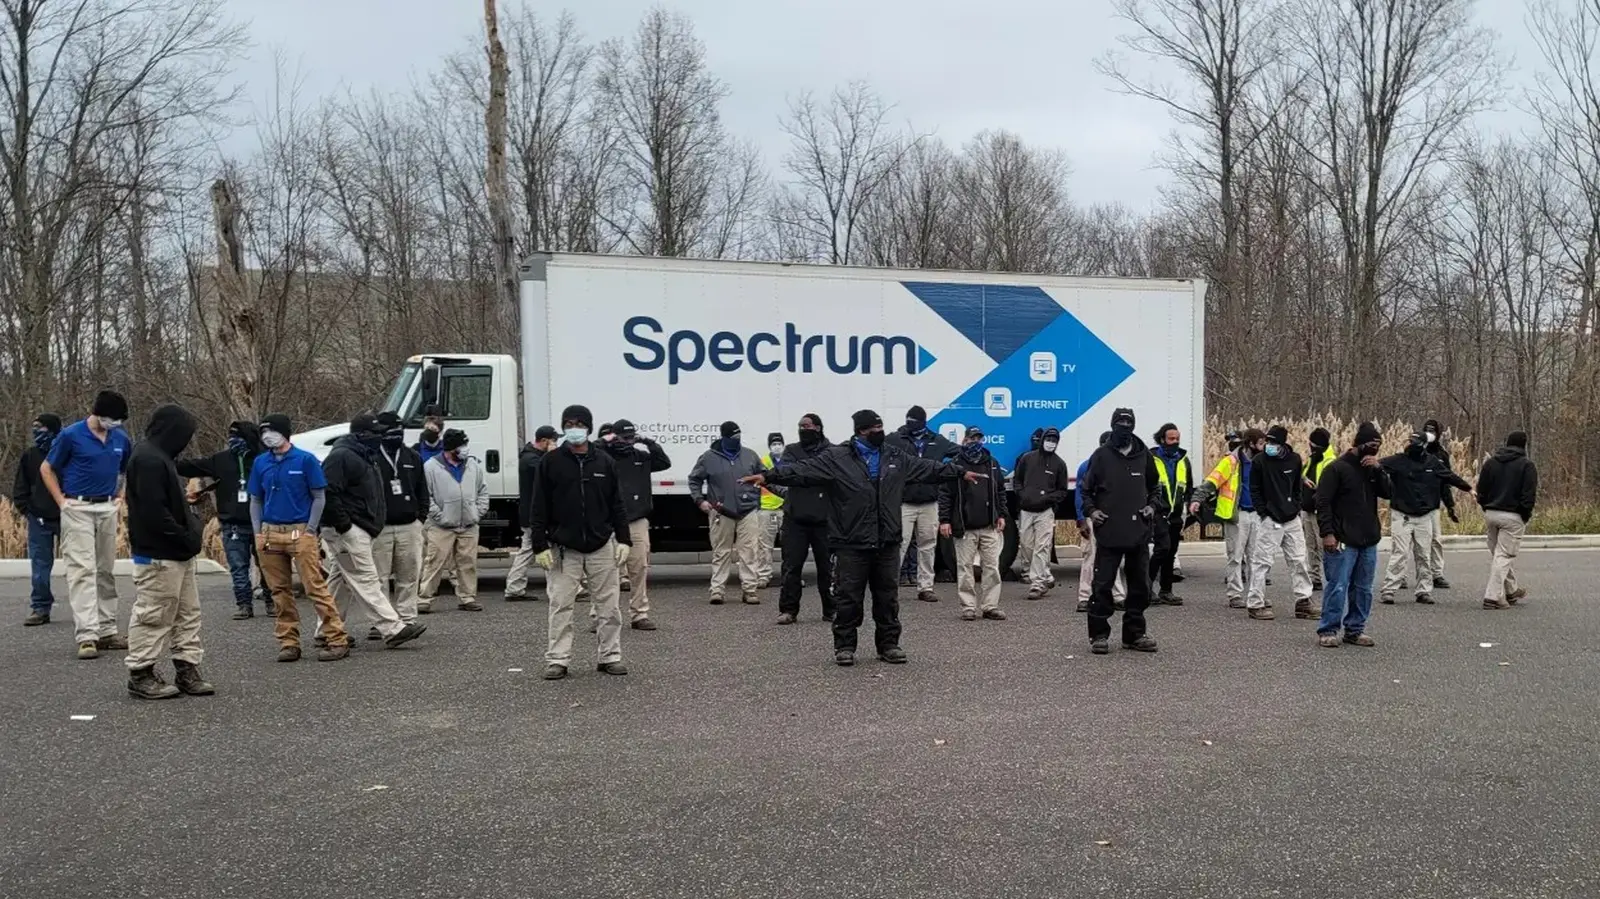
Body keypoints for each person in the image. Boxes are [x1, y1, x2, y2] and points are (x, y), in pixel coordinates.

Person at [746, 409, 977, 667]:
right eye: (874, 429)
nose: (879, 432)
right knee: (848, 597)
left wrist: (958, 472)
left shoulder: (894, 456)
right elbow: (801, 471)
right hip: (851, 541)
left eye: (881, 427)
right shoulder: (837, 457)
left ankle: (889, 645)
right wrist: (768, 476)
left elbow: (926, 468)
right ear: (861, 431)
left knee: (888, 597)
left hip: (886, 540)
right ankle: (844, 646)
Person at [528, 404, 632, 680]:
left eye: (579, 424)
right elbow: (538, 505)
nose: (574, 429)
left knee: (609, 606)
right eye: (569, 424)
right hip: (564, 547)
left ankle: (610, 655)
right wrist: (539, 544)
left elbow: (617, 504)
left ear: (588, 426)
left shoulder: (604, 462)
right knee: (561, 605)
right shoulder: (550, 462)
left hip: (601, 544)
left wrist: (624, 539)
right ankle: (558, 659)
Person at [123, 404, 214, 700]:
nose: (185, 442)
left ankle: (187, 668)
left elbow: (166, 505)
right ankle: (141, 672)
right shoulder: (148, 459)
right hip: (158, 552)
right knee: (154, 613)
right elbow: (152, 512)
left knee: (188, 613)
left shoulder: (162, 458)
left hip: (178, 552)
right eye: (183, 436)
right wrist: (185, 536)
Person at [319, 413, 427, 649]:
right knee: (366, 578)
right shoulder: (341, 457)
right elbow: (327, 492)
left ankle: (326, 628)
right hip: (348, 529)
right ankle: (392, 628)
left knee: (340, 581)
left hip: (361, 527)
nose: (379, 438)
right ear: (360, 435)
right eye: (375, 434)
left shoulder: (363, 455)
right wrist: (344, 525)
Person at [40, 390, 132, 660]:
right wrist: (61, 501)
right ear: (99, 413)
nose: (115, 424)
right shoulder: (70, 435)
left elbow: (126, 469)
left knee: (105, 569)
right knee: (82, 570)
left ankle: (107, 630)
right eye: (113, 419)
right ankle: (87, 634)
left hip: (106, 506)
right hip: (77, 506)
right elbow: (47, 468)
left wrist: (121, 495)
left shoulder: (120, 438)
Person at [249, 414, 349, 662]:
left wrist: (310, 529)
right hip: (270, 532)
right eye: (263, 432)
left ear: (284, 432)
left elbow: (319, 496)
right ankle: (289, 641)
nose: (267, 436)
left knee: (314, 586)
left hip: (300, 530)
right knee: (279, 590)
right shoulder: (261, 462)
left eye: (271, 431)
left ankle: (336, 638)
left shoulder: (305, 460)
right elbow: (256, 499)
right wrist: (257, 531)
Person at [1079, 407, 1163, 655]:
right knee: (1102, 585)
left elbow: (1155, 488)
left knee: (1140, 586)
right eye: (1120, 422)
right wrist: (1092, 511)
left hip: (1138, 530)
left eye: (1129, 423)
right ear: (1113, 424)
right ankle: (1099, 635)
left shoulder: (1144, 456)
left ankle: (1135, 634)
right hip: (1109, 531)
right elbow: (1085, 491)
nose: (1124, 427)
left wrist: (1151, 507)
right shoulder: (1101, 456)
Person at [178, 420, 267, 620]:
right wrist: (167, 459)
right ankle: (244, 604)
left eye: (238, 437)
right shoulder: (221, 460)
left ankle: (271, 600)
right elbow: (192, 467)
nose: (233, 441)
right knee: (238, 566)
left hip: (262, 522)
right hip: (232, 522)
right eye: (231, 437)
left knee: (268, 564)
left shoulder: (263, 459)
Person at [1315, 422, 1392, 648]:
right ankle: (1328, 628)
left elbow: (1389, 493)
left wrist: (1379, 470)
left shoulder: (1372, 469)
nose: (1374, 449)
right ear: (1358, 444)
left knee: (1363, 588)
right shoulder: (1336, 469)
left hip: (1368, 537)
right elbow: (1323, 502)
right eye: (1371, 444)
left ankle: (1355, 629)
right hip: (1341, 538)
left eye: (1378, 446)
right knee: (1338, 585)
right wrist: (1327, 532)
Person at [1379, 432, 1472, 606]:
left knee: (1424, 554)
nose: (1411, 445)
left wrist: (1469, 488)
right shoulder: (1397, 461)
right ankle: (1389, 589)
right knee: (1400, 553)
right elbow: (1377, 467)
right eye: (1410, 442)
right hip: (1402, 514)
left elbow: (1449, 476)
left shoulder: (1432, 462)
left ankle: (1423, 590)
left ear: (1423, 445)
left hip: (1425, 515)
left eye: (1415, 442)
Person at [601, 419, 670, 629]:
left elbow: (664, 462)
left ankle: (639, 614)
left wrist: (648, 441)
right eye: (624, 438)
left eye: (632, 438)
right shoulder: (604, 457)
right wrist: (606, 441)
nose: (628, 442)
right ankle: (601, 616)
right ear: (615, 437)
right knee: (604, 572)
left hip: (637, 519)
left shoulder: (641, 457)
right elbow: (590, 451)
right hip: (608, 521)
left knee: (639, 568)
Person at [688, 421, 767, 605]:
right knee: (721, 551)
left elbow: (763, 475)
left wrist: (757, 492)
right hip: (720, 510)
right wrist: (700, 500)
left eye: (739, 437)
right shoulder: (708, 458)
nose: (736, 440)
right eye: (733, 438)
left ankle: (750, 589)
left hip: (748, 510)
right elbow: (694, 479)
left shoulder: (750, 455)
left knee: (749, 551)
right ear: (723, 437)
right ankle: (717, 590)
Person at [887, 406, 959, 602]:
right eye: (908, 420)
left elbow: (958, 453)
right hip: (904, 502)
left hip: (930, 501)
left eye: (915, 421)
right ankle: (889, 587)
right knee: (898, 544)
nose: (911, 424)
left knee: (928, 545)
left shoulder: (937, 440)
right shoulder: (895, 439)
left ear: (923, 422)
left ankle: (926, 587)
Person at [1192, 428, 1266, 610]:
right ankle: (1235, 594)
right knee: (1235, 556)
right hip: (1237, 515)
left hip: (1257, 515)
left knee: (1256, 558)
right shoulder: (1231, 462)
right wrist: (1197, 499)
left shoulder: (1263, 462)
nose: (1265, 447)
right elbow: (1212, 481)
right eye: (1261, 443)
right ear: (1250, 444)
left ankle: (1256, 595)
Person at [1245, 425, 1314, 620]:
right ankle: (1255, 603)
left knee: (1299, 559)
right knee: (1262, 562)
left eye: (1274, 442)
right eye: (1268, 441)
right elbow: (1255, 489)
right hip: (1270, 518)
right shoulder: (1259, 461)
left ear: (1283, 443)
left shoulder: (1294, 460)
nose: (1269, 445)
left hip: (1292, 517)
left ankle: (1304, 601)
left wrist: (1297, 507)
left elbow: (1297, 486)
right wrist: (1263, 513)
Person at [419, 427, 490, 614]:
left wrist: (477, 512)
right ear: (451, 448)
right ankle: (425, 598)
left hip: (468, 524)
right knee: (434, 562)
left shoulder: (473, 465)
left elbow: (483, 490)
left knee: (468, 563)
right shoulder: (431, 467)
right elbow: (426, 496)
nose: (465, 448)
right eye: (462, 445)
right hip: (441, 526)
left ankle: (467, 597)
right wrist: (440, 517)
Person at [939, 426, 1007, 621]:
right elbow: (945, 494)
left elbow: (1000, 492)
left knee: (992, 567)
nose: (975, 442)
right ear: (964, 440)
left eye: (979, 438)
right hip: (965, 527)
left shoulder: (992, 463)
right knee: (965, 567)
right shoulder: (955, 464)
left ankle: (990, 606)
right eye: (971, 438)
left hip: (989, 526)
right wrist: (944, 520)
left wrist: (1001, 514)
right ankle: (968, 606)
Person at [371, 411, 428, 629]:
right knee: (379, 577)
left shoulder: (412, 457)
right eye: (391, 430)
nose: (397, 434)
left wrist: (420, 518)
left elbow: (423, 489)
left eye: (399, 429)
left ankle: (407, 618)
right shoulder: (373, 457)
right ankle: (382, 622)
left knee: (409, 574)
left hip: (409, 526)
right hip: (381, 528)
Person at [775, 413, 834, 625]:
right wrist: (811, 475)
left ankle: (831, 609)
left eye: (807, 425)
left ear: (818, 427)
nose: (802, 429)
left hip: (824, 519)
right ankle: (788, 610)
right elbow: (786, 474)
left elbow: (832, 477)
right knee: (791, 567)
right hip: (795, 518)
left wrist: (804, 475)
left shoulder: (832, 451)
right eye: (800, 426)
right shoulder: (792, 450)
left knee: (828, 568)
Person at [1477, 431, 1538, 610]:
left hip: (1491, 513)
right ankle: (1493, 597)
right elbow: (1529, 494)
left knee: (1498, 554)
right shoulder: (1527, 466)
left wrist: (1486, 506)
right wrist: (1524, 514)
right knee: (1504, 555)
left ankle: (1511, 590)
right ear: (1524, 445)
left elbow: (1481, 489)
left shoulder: (1491, 463)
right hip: (1513, 515)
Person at [1012, 425, 1072, 599]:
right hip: (1026, 510)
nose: (1050, 443)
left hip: (1045, 512)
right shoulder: (1027, 459)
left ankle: (1037, 585)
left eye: (1054, 441)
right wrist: (1022, 495)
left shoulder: (1059, 464)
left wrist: (1049, 499)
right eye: (1048, 439)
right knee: (1026, 546)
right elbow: (1017, 480)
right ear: (1042, 440)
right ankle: (1045, 574)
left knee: (1042, 547)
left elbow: (1062, 490)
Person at [13, 413, 61, 627]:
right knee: (40, 567)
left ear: (53, 431)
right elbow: (21, 485)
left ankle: (87, 609)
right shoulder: (30, 455)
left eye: (41, 428)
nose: (36, 432)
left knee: (82, 567)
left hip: (66, 515)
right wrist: (27, 509)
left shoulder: (66, 452)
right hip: (38, 517)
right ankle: (40, 607)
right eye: (35, 428)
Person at [1075, 431, 1126, 614]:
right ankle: (1084, 597)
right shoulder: (1087, 466)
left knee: (1114, 557)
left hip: (1114, 518)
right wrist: (1081, 519)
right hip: (1093, 516)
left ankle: (1118, 596)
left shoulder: (1121, 466)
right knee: (1090, 557)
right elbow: (1080, 494)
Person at [505, 425, 559, 601]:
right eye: (553, 441)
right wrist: (553, 455)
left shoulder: (529, 457)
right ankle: (556, 590)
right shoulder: (533, 461)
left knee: (529, 550)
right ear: (544, 441)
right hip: (535, 515)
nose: (556, 444)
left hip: (530, 514)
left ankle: (514, 587)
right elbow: (549, 474)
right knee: (543, 550)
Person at [1148, 423, 1192, 606]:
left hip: (1176, 514)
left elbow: (1188, 486)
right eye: (1171, 439)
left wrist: (1191, 505)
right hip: (1158, 512)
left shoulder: (1183, 460)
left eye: (1177, 439)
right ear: (1162, 440)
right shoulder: (1151, 459)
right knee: (1162, 549)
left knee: (1171, 552)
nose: (1175, 442)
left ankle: (1166, 590)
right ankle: (1146, 588)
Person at [1422, 418, 1458, 588]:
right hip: (1412, 504)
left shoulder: (1442, 455)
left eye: (1433, 431)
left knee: (1436, 540)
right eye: (1427, 430)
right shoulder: (1414, 451)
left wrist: (1450, 506)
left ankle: (1437, 573)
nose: (1430, 434)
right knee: (1408, 542)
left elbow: (1446, 481)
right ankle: (1402, 576)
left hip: (1433, 504)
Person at [1301, 427, 1334, 591]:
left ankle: (1331, 577)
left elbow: (1327, 488)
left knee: (1323, 546)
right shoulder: (1312, 459)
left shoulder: (1329, 461)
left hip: (1319, 511)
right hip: (1307, 508)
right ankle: (1314, 577)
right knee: (1310, 545)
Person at [756, 431, 788, 589]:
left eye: (779, 443)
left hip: (786, 507)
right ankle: (763, 576)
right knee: (764, 545)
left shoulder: (789, 460)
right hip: (766, 508)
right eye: (774, 444)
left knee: (790, 545)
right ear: (769, 446)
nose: (777, 446)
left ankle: (790, 577)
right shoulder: (764, 462)